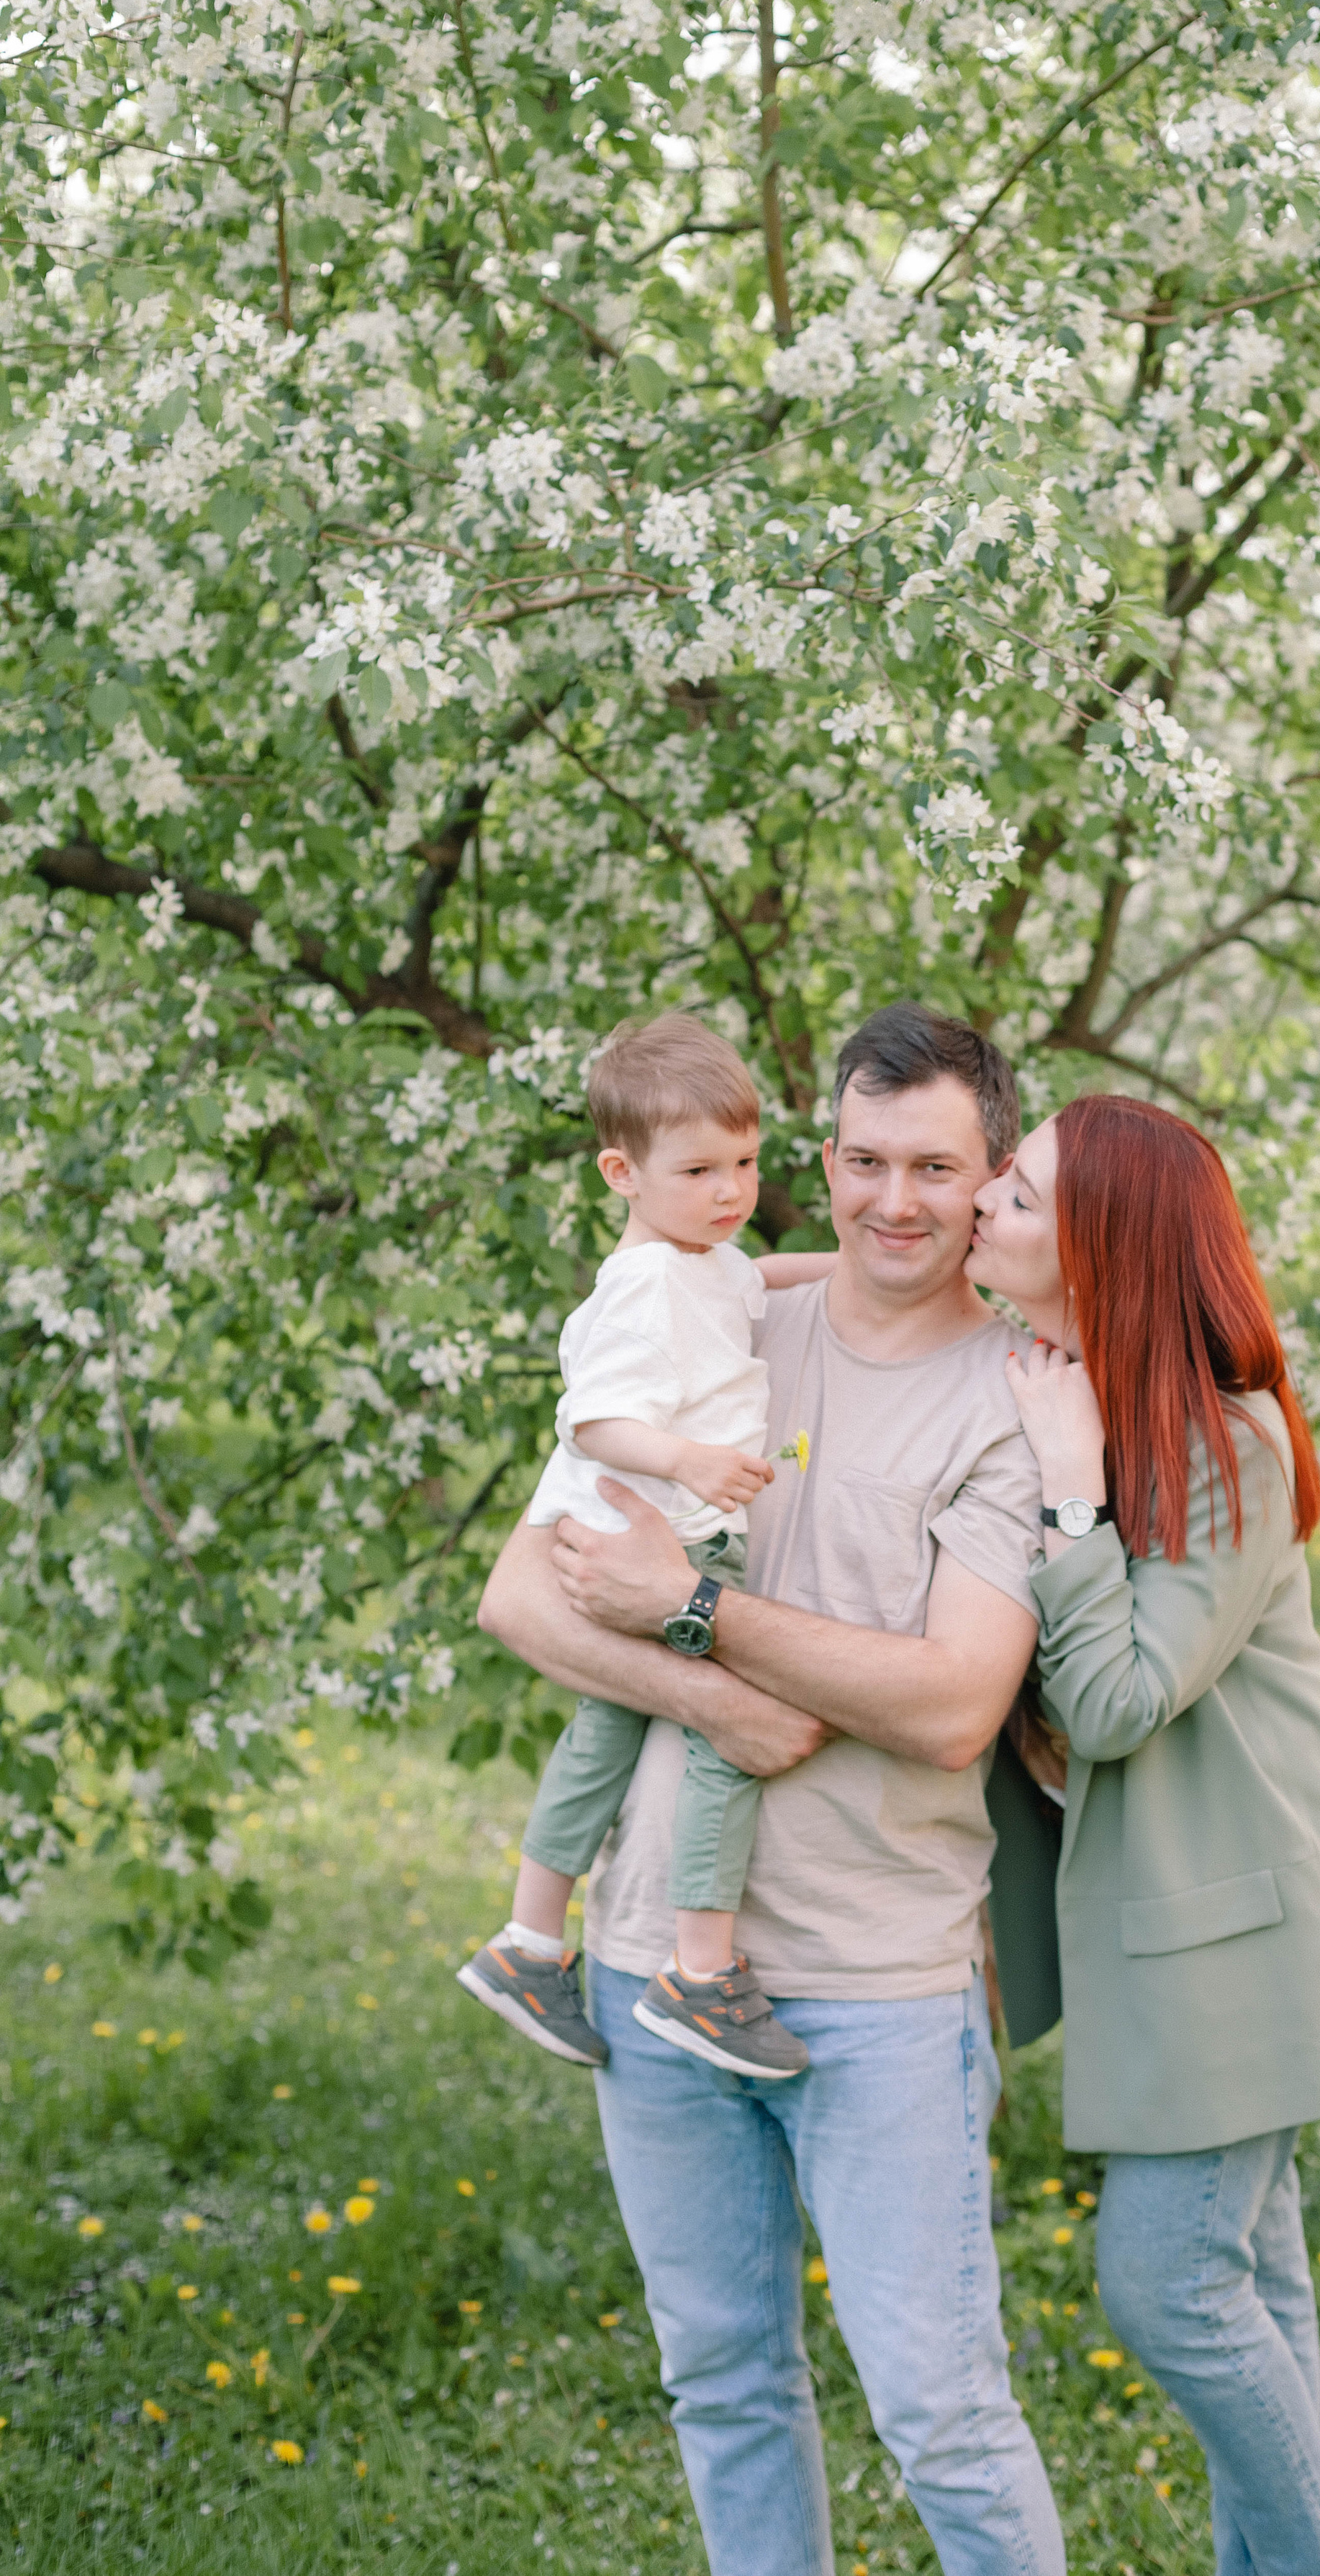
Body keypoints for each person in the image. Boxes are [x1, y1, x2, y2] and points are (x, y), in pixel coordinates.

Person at [476, 1003, 1064, 2576]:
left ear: (989, 1174)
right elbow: (521, 1598)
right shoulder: (716, 1324)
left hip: (875, 1987)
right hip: (651, 1961)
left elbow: (951, 1707)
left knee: (938, 2411)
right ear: (821, 1161)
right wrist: (708, 1698)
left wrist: (693, 1617)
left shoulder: (1014, 1397)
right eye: (863, 1162)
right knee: (723, 2381)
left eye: (934, 1169)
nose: (893, 1201)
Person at [970, 1090, 1320, 2576]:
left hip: (1242, 1917)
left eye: (1013, 1197)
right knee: (1254, 2280)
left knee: (1166, 2286)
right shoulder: (1060, 1368)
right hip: (1185, 1911)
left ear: (1097, 1249)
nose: (975, 1211)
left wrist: (1072, 1497)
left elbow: (1118, 1703)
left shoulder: (1222, 1439)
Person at [457, 1013, 831, 2080]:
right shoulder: (644, 1282)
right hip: (657, 1537)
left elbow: (767, 1280)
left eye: (749, 1163)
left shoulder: (705, 1260)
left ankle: (530, 1941)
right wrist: (694, 1459)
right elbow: (593, 1420)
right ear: (621, 1171)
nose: (733, 1191)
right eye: (702, 1169)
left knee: (606, 1733)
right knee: (722, 1738)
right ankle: (699, 1971)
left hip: (656, 1532)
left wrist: (859, 1267)